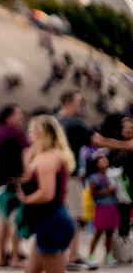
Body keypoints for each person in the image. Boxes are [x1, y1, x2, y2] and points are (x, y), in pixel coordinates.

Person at [54, 90, 133, 269]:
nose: (81, 105)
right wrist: (126, 145)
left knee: (57, 214)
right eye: (78, 101)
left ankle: (59, 253)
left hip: (53, 175)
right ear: (68, 102)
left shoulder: (53, 121)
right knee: (74, 215)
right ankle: (73, 256)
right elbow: (100, 141)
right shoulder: (77, 123)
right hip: (70, 176)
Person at [16, 115, 75, 273]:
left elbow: (47, 194)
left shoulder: (47, 159)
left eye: (31, 131)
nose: (29, 136)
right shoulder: (50, 156)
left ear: (41, 134)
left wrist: (25, 200)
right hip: (50, 220)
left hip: (52, 221)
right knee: (30, 270)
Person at [0, 104, 29, 268]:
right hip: (15, 185)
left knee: (2, 223)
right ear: (9, 117)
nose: (20, 118)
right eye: (18, 114)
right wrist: (27, 177)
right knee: (15, 221)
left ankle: (1, 257)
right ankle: (16, 257)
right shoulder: (17, 135)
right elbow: (26, 156)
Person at [86, 151, 119, 267]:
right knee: (98, 233)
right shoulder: (94, 178)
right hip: (101, 207)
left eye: (105, 161)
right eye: (101, 161)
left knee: (110, 233)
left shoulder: (112, 175)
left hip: (112, 206)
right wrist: (108, 191)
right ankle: (90, 255)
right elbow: (93, 193)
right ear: (96, 164)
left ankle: (108, 255)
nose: (104, 163)